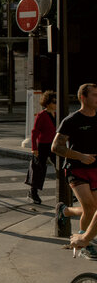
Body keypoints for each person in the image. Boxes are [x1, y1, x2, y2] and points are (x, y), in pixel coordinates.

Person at [54, 84, 97, 259]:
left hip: (95, 168)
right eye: (94, 95)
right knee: (89, 206)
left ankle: (66, 211)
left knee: (93, 209)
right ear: (83, 98)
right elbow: (56, 146)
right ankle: (85, 243)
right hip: (76, 169)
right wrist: (80, 156)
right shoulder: (71, 120)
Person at [25, 90, 57, 204]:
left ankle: (65, 191)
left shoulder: (57, 114)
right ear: (47, 103)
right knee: (39, 169)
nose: (56, 104)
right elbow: (34, 132)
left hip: (54, 145)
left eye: (57, 101)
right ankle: (33, 192)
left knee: (61, 167)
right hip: (43, 145)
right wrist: (34, 148)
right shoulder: (41, 115)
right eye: (54, 102)